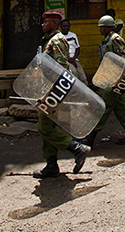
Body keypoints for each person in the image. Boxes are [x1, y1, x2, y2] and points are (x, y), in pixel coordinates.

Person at [34, 11, 90, 179]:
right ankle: (51, 165)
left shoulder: (57, 41)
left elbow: (60, 67)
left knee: (44, 126)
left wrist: (54, 92)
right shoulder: (48, 40)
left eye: (45, 22)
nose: (42, 25)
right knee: (48, 126)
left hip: (53, 90)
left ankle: (76, 148)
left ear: (53, 23)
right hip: (48, 89)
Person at [80, 15, 125, 147]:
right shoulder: (106, 40)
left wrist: (118, 78)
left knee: (103, 107)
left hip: (114, 80)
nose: (100, 29)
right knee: (120, 107)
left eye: (102, 27)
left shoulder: (115, 39)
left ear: (109, 27)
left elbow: (123, 59)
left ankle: (90, 138)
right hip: (109, 78)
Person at [60, 19, 87, 84]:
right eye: (64, 26)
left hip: (74, 59)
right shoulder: (59, 37)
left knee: (83, 77)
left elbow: (77, 48)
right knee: (74, 73)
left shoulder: (73, 35)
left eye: (67, 26)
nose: (66, 28)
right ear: (61, 27)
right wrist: (69, 59)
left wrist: (73, 59)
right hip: (66, 60)